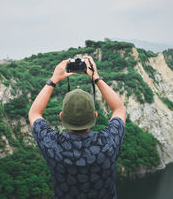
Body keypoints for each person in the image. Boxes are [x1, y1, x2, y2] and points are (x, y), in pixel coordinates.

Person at [28, 56, 126, 199]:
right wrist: (96, 78)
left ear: (61, 117)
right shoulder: (108, 143)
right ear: (95, 116)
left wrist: (53, 80)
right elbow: (119, 109)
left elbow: (34, 113)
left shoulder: (53, 146)